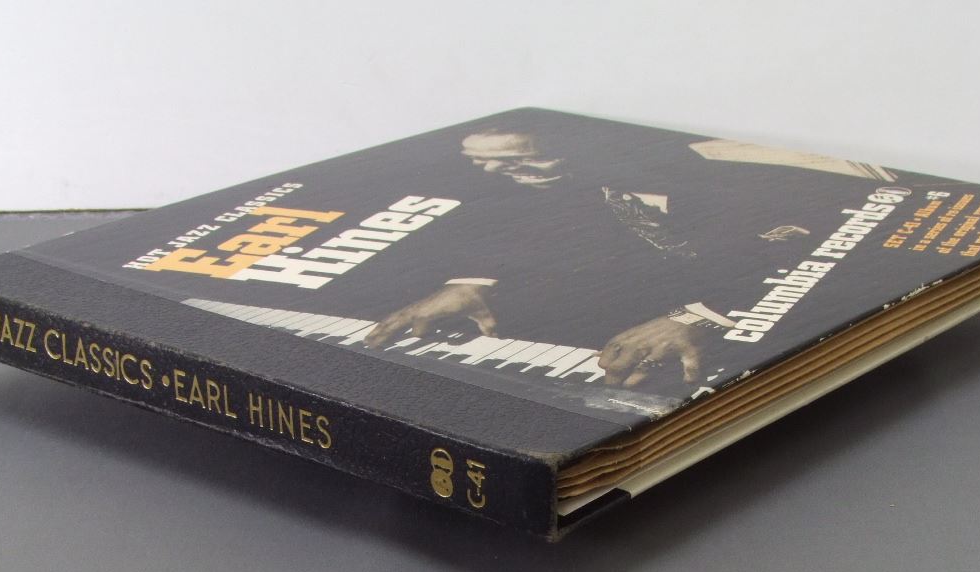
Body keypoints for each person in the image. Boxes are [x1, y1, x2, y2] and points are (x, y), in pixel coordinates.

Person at [363, 123, 852, 390]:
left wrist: (700, 315)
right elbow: (531, 227)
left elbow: (814, 254)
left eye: (520, 159)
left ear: (582, 146)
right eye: (480, 161)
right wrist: (473, 282)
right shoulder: (537, 186)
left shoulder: (717, 182)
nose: (493, 171)